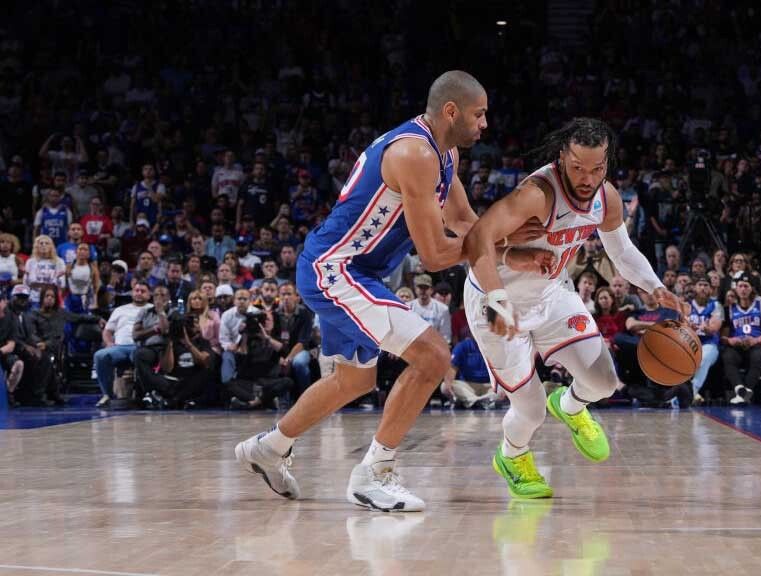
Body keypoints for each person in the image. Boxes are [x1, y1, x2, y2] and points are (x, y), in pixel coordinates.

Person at [234, 70, 551, 511]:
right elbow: (438, 255)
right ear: (451, 111)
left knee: (353, 380)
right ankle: (373, 474)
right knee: (434, 355)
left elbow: (464, 224)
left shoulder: (445, 154)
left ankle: (269, 448)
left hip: (353, 271)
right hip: (337, 269)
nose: (485, 124)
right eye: (479, 115)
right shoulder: (415, 154)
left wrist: (508, 248)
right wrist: (497, 249)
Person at [463, 117, 680, 498]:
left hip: (550, 292)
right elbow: (476, 239)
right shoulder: (537, 194)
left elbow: (622, 251)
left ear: (607, 163)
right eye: (578, 167)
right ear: (562, 157)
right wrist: (505, 274)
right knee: (530, 411)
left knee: (603, 381)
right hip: (495, 298)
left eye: (597, 168)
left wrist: (655, 286)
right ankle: (512, 456)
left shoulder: (606, 197)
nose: (587, 177)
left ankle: (571, 404)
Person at [93, 282, 152, 407]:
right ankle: (107, 395)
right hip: (119, 347)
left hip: (141, 346)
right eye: (136, 290)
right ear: (132, 293)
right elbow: (107, 331)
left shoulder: (152, 309)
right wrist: (109, 343)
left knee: (140, 356)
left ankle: (147, 394)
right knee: (100, 355)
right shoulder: (120, 310)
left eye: (143, 291)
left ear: (149, 294)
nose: (139, 293)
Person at [720, 274, 761, 405]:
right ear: (736, 289)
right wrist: (731, 340)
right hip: (737, 346)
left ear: (751, 289)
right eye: (740, 286)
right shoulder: (729, 309)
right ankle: (740, 388)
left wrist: (755, 340)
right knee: (727, 356)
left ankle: (745, 392)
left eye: (746, 286)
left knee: (758, 355)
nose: (743, 289)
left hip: (756, 344)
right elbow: (723, 337)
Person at [687, 275, 723, 404]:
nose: (703, 288)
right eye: (700, 285)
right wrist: (687, 327)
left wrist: (706, 328)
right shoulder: (686, 305)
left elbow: (715, 328)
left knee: (702, 358)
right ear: (694, 288)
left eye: (706, 285)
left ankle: (691, 392)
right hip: (688, 343)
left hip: (709, 343)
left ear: (711, 289)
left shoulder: (717, 306)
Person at [441, 335, 499, 408]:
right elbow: (452, 367)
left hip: (489, 385)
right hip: (467, 386)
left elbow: (502, 369)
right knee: (444, 386)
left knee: (503, 389)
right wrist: (448, 384)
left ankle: (471, 401)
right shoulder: (462, 346)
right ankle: (483, 401)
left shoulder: (494, 346)